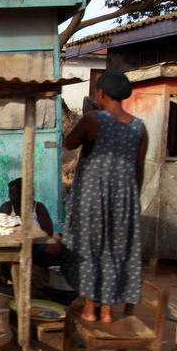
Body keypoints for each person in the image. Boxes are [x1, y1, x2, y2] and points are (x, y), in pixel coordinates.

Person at [60, 72, 148, 323]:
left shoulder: (92, 119)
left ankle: (89, 308)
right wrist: (133, 200)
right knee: (114, 251)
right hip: (125, 199)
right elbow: (138, 168)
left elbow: (70, 143)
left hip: (92, 196)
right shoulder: (139, 127)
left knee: (88, 248)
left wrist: (89, 112)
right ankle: (107, 310)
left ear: (101, 94)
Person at [0, 177, 61, 269]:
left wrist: (32, 240)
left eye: (13, 194)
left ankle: (45, 274)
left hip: (35, 246)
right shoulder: (7, 207)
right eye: (10, 194)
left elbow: (48, 231)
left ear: (23, 194)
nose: (10, 197)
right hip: (13, 247)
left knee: (56, 249)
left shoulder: (38, 207)